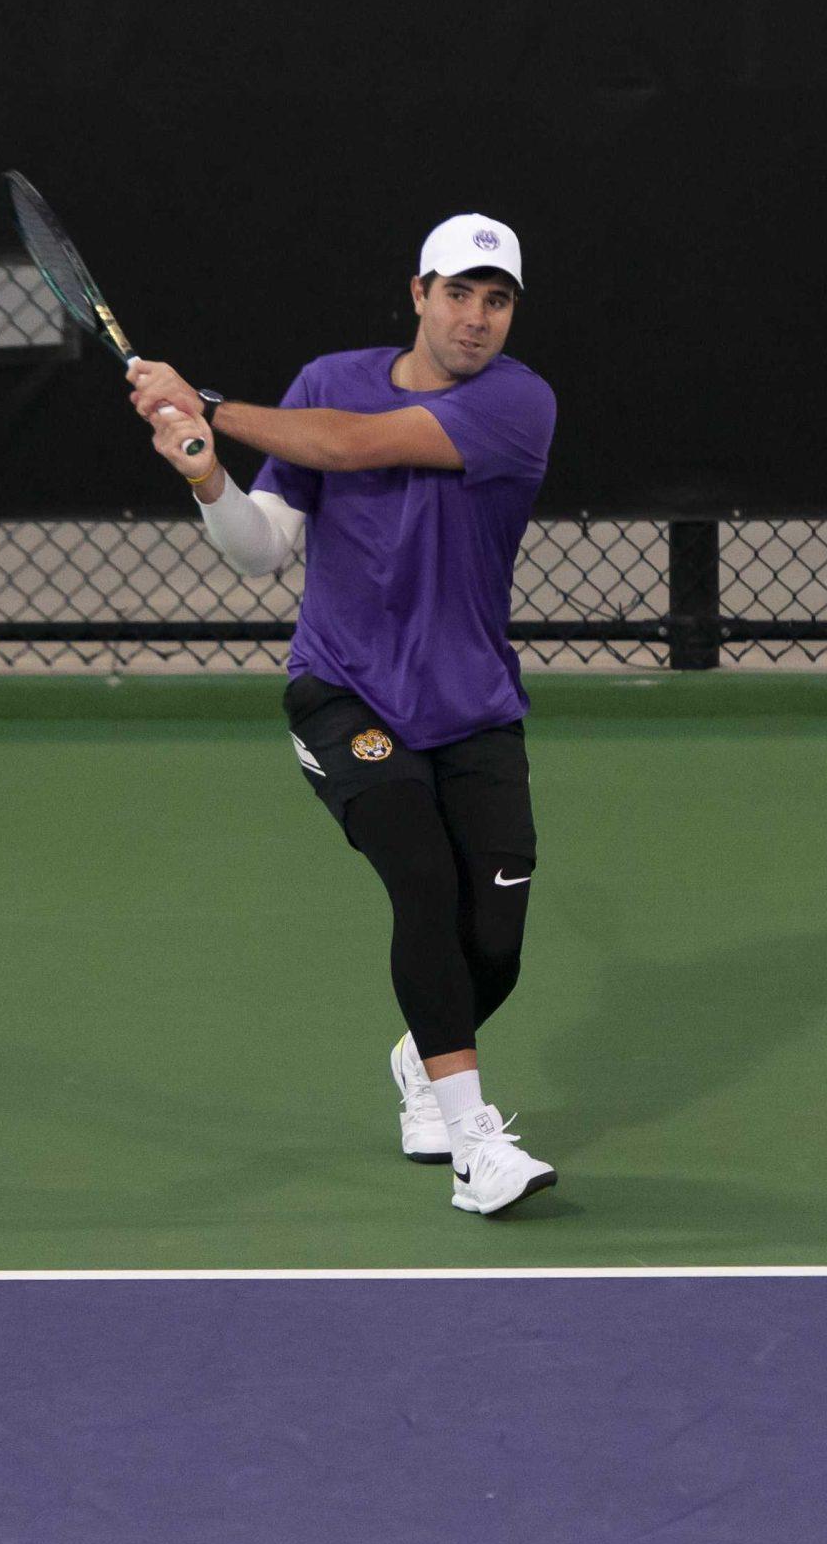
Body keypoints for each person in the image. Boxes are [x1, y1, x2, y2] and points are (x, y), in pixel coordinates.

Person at [125, 215, 558, 1216]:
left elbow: (351, 446)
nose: (476, 317)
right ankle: (472, 1144)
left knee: (493, 939)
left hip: (472, 702)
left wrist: (212, 403)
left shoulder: (517, 402)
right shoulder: (327, 376)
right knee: (419, 877)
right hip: (343, 690)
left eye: (496, 300)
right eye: (458, 293)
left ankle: (422, 1057)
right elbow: (262, 545)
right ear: (417, 293)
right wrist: (203, 472)